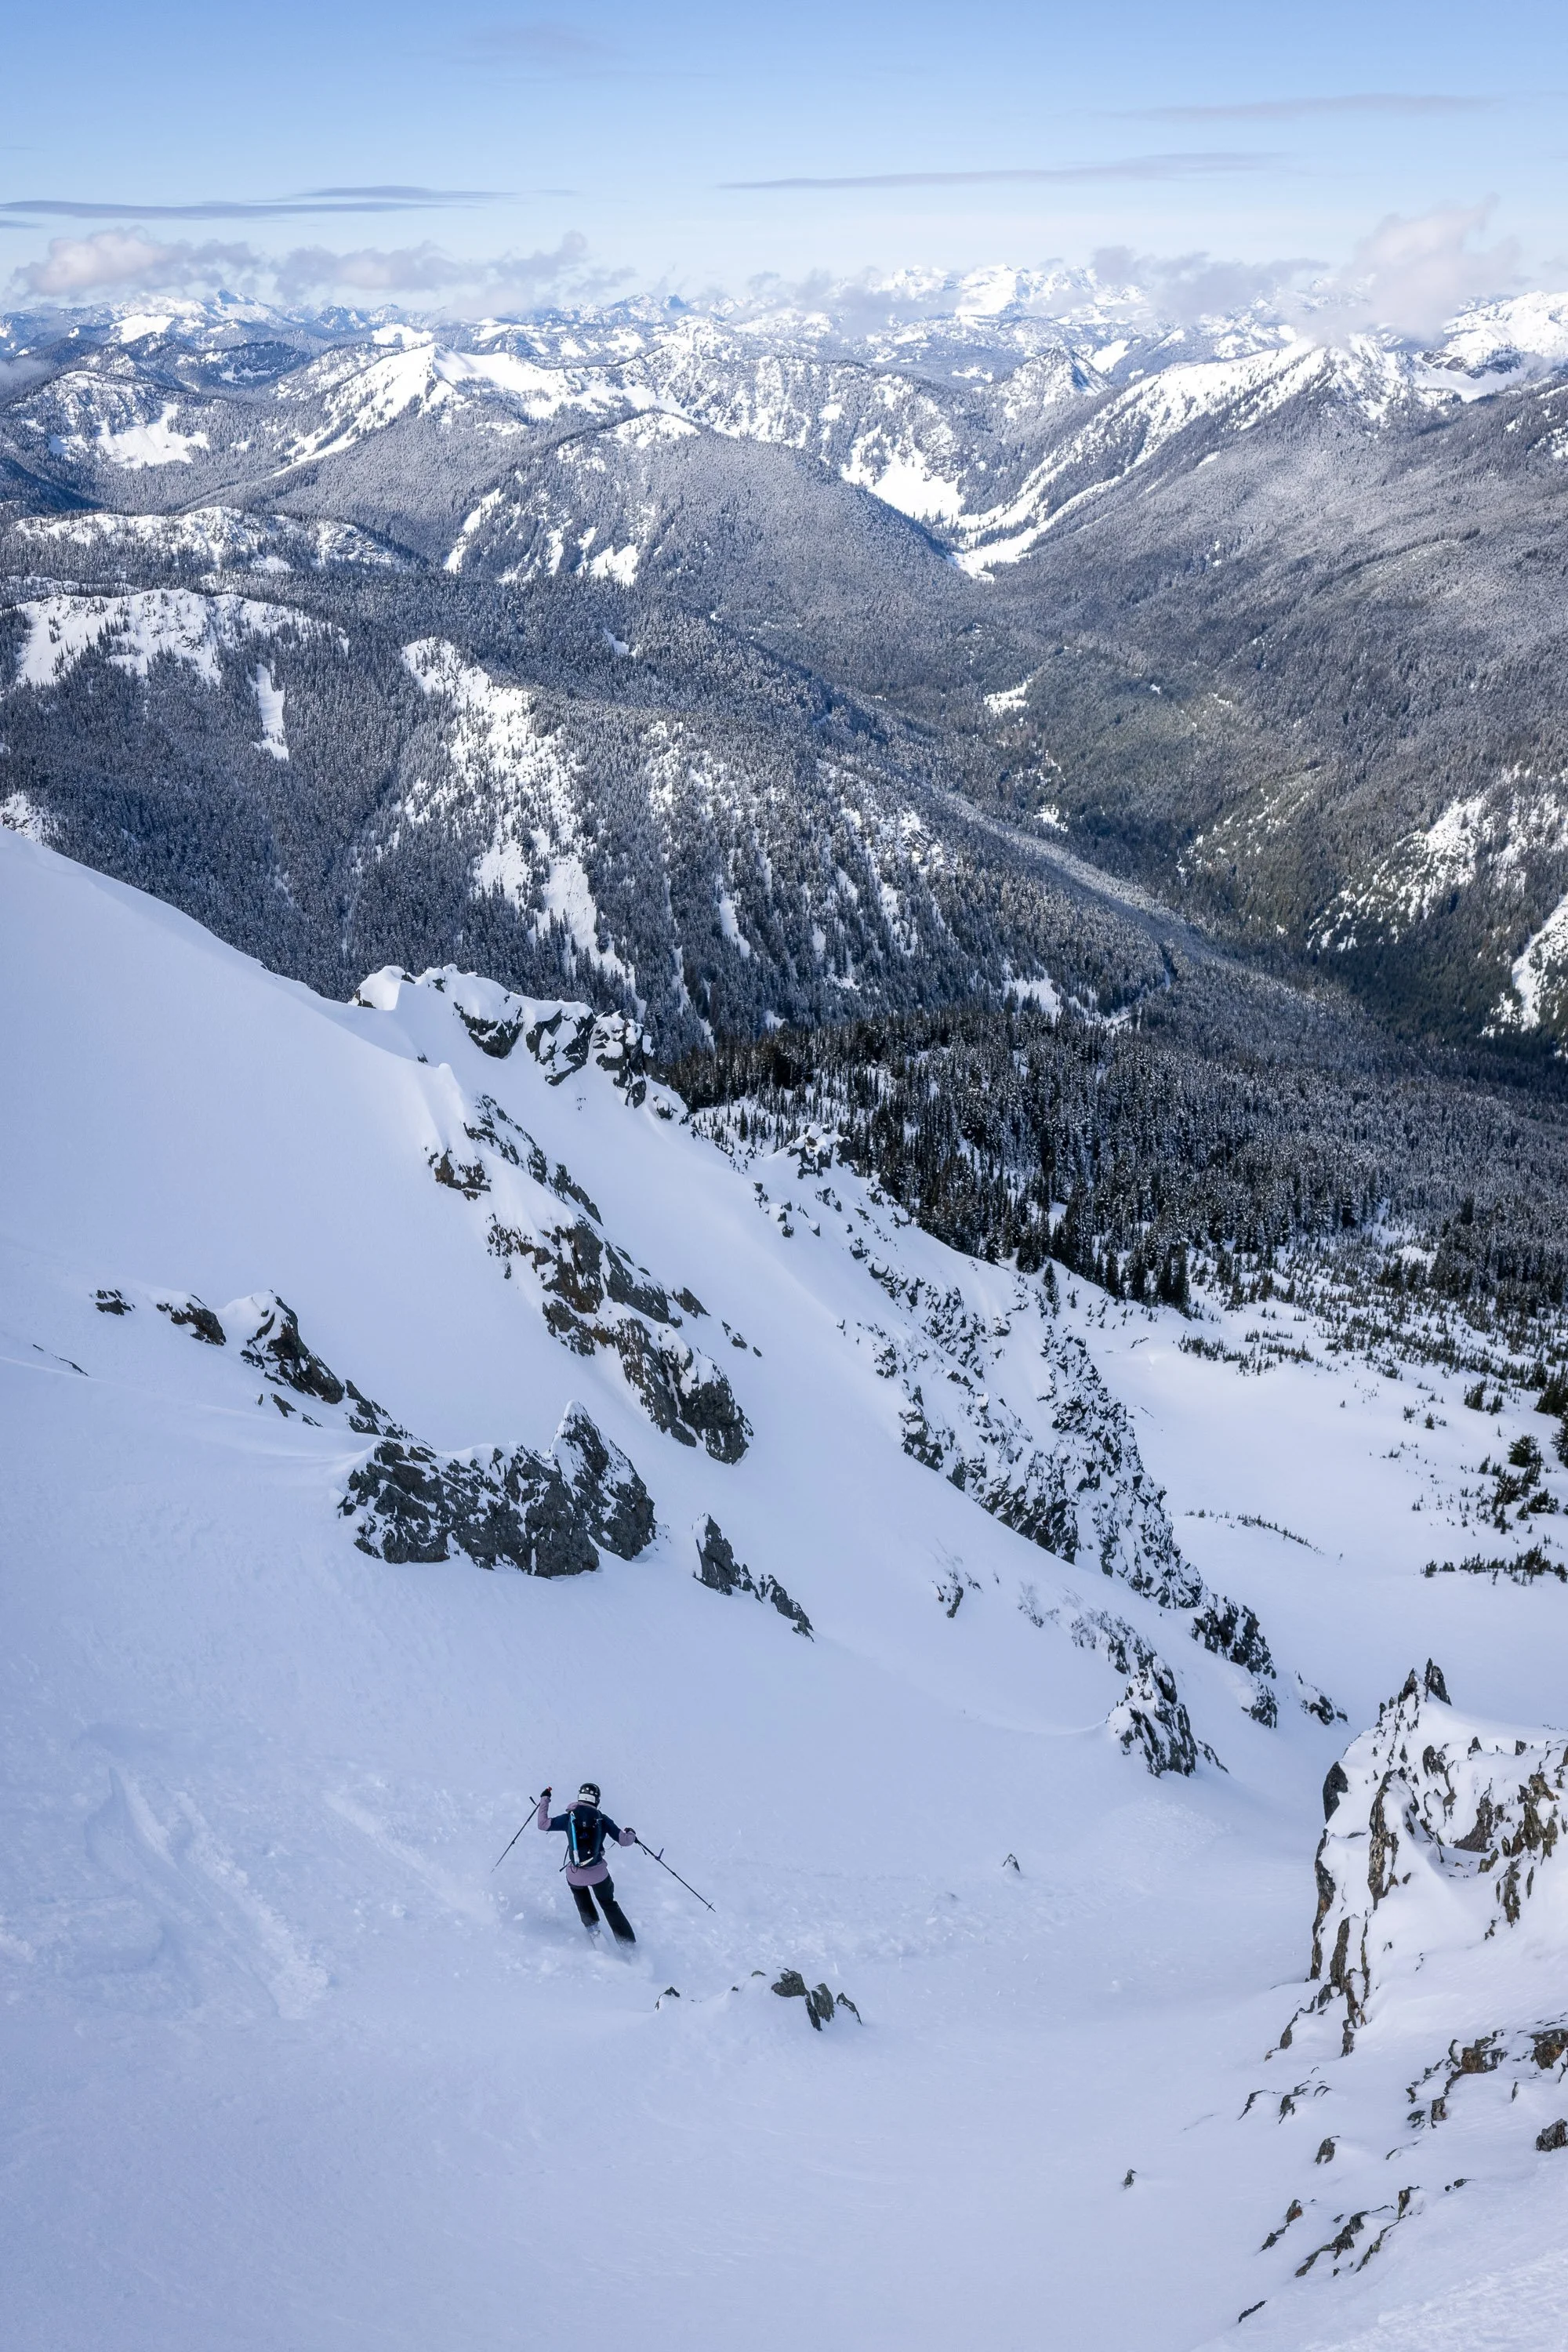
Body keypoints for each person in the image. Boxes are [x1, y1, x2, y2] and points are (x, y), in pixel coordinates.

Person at [537, 1782, 637, 1942]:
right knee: (608, 1904)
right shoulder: (602, 1819)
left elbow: (542, 1824)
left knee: (580, 1894)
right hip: (599, 1875)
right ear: (596, 1800)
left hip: (576, 1875)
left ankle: (592, 1928)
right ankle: (627, 1942)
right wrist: (631, 1833)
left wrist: (545, 1799)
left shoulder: (569, 1817)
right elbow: (625, 1841)